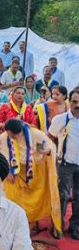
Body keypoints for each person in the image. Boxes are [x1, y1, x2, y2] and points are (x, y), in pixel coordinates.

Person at [0, 118, 61, 236]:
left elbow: (49, 149)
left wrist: (40, 149)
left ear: (20, 132)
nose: (11, 137)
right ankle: (15, 224)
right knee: (14, 197)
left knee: (35, 198)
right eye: (9, 135)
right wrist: (7, 171)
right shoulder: (4, 137)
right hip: (15, 172)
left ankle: (31, 224)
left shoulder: (35, 135)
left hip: (34, 170)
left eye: (14, 136)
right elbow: (2, 154)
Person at [49, 88, 79, 238]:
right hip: (65, 164)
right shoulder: (60, 120)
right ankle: (57, 226)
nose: (77, 105)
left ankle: (76, 227)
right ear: (69, 102)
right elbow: (50, 138)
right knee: (63, 196)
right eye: (74, 101)